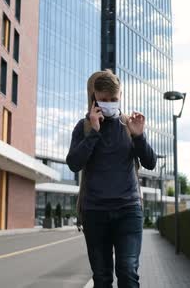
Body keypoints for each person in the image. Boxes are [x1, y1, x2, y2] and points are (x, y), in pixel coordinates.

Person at [66, 70, 157, 288]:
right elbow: (74, 163)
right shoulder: (84, 127)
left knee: (127, 272)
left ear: (120, 96)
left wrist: (139, 136)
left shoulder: (129, 125)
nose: (108, 103)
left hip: (128, 211)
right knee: (102, 278)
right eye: (103, 100)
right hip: (95, 213)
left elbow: (150, 163)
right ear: (94, 97)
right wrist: (94, 132)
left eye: (113, 99)